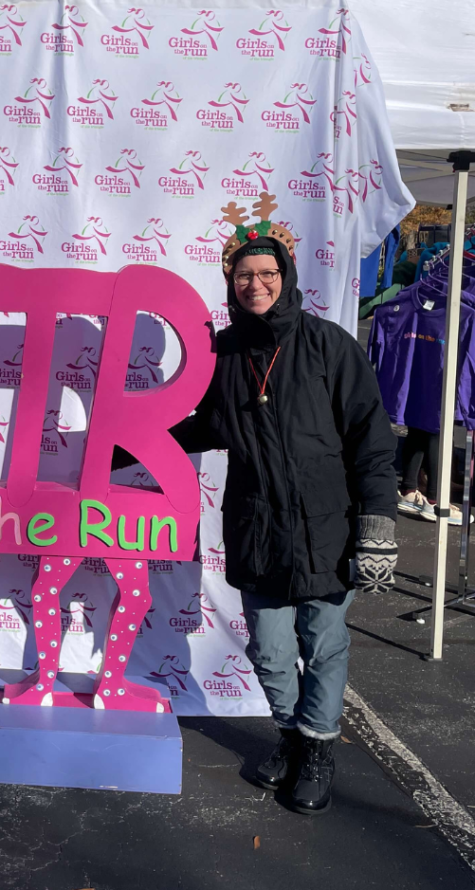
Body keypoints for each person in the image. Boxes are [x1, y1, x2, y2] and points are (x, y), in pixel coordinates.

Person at [115, 197, 397, 815]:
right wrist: (118, 451)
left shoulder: (328, 346)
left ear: (286, 275)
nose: (256, 284)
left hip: (327, 526)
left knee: (323, 644)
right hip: (256, 525)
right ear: (230, 282)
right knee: (269, 650)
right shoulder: (223, 355)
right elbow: (205, 425)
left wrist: (377, 522)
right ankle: (293, 738)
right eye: (244, 275)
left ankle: (318, 751)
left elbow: (371, 439)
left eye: (267, 273)